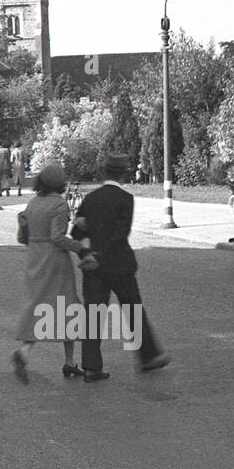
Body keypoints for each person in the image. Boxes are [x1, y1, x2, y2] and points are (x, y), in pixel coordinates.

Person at [74, 153, 171, 382]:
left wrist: (88, 254)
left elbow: (77, 232)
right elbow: (120, 234)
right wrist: (101, 254)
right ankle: (147, 357)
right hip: (119, 265)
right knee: (133, 309)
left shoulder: (91, 199)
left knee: (93, 315)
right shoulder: (125, 198)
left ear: (104, 172)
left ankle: (91, 367)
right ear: (123, 174)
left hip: (94, 269)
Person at [10, 162, 87, 384]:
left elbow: (22, 237)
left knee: (37, 307)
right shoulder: (59, 205)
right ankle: (70, 361)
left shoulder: (33, 203)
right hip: (55, 262)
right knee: (68, 308)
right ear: (60, 183)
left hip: (35, 258)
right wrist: (81, 247)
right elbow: (58, 237)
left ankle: (25, 351)